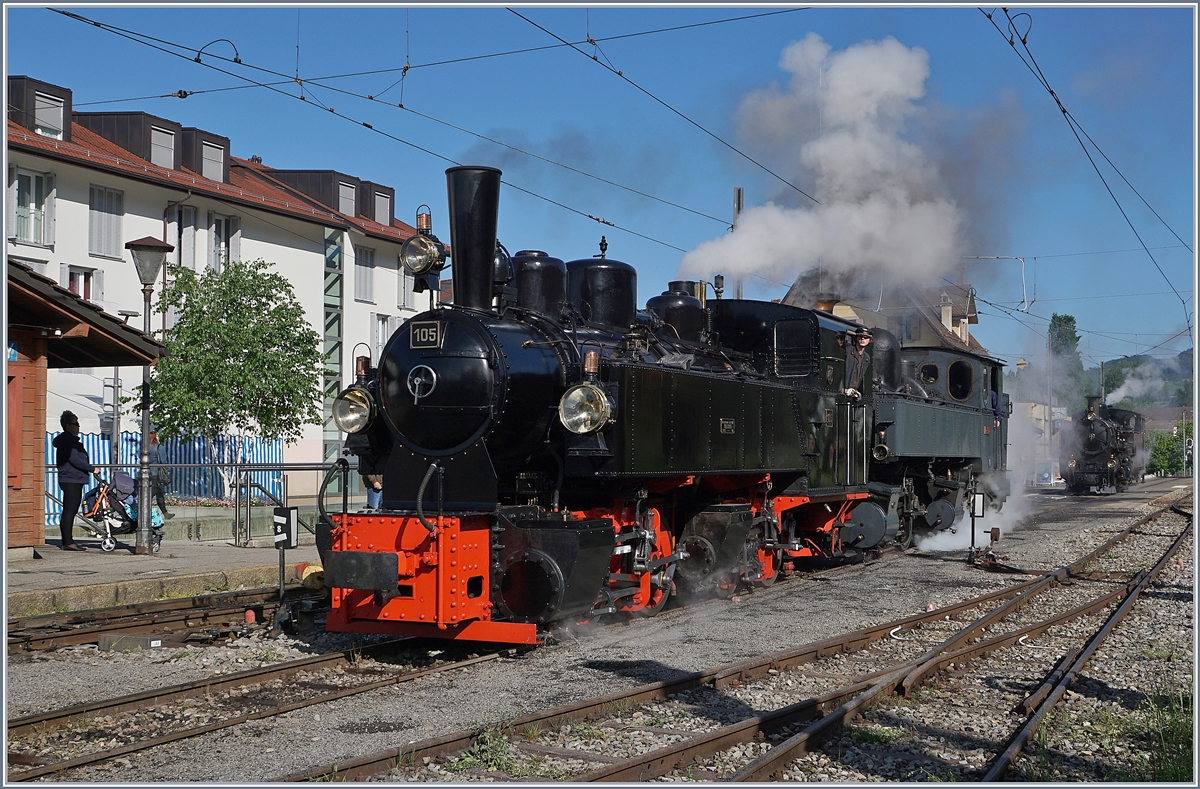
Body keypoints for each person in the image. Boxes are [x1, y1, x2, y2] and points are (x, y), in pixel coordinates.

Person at [53, 410, 93, 551]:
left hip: (71, 478)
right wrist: (92, 468)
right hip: (71, 479)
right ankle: (68, 542)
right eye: (75, 424)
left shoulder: (68, 440)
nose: (78, 426)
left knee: (70, 509)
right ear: (68, 425)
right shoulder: (68, 441)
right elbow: (74, 459)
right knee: (70, 510)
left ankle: (67, 541)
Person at [147, 430, 175, 519]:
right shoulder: (159, 447)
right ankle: (143, 512)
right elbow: (163, 462)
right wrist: (167, 472)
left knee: (159, 493)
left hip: (147, 473)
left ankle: (165, 513)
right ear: (155, 437)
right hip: (157, 474)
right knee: (151, 494)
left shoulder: (146, 448)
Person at [844, 327, 873, 400]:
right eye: (860, 337)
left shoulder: (866, 358)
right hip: (844, 391)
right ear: (856, 338)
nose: (863, 339)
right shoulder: (847, 351)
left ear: (870, 340)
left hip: (853, 393)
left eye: (866, 337)